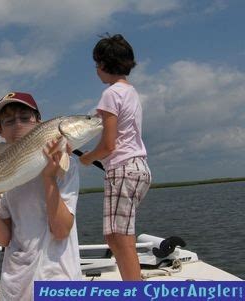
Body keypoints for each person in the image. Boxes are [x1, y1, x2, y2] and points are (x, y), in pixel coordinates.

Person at [0, 92, 82, 300]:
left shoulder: (67, 164)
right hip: (16, 285)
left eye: (25, 118)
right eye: (9, 121)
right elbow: (4, 238)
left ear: (39, 122)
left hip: (60, 280)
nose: (18, 125)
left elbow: (61, 230)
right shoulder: (0, 172)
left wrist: (49, 178)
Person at [79, 34, 152, 280]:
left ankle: (135, 292)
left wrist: (87, 158)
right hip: (138, 168)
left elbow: (108, 145)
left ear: (103, 64)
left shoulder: (110, 95)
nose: (96, 70)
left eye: (96, 64)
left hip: (123, 169)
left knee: (119, 238)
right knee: (116, 236)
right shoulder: (130, 92)